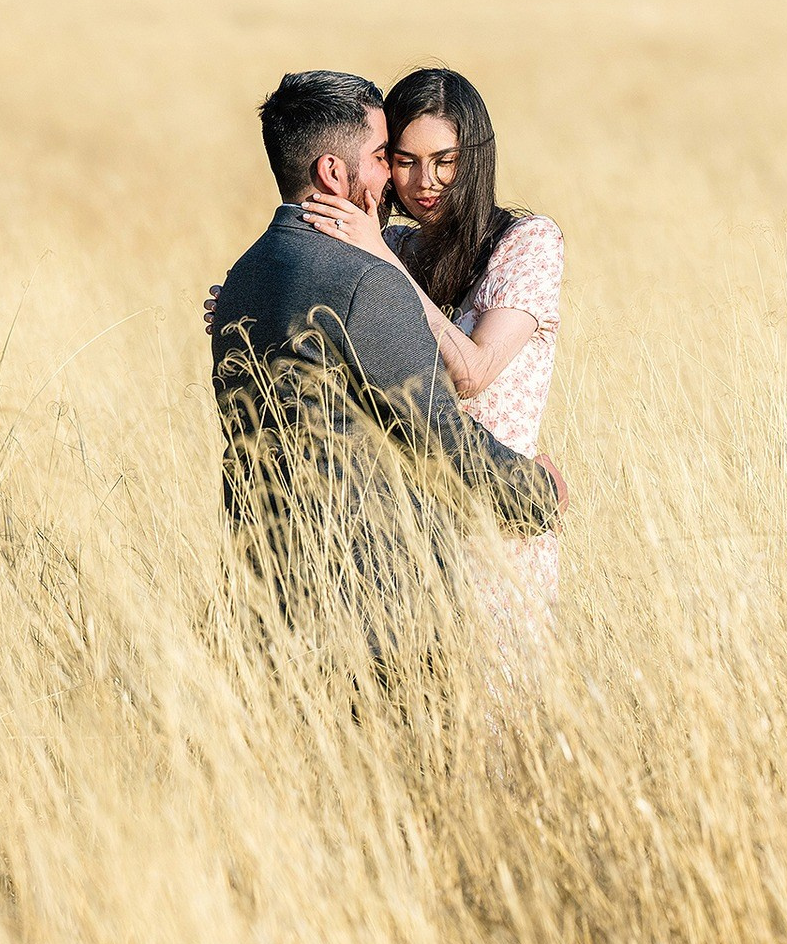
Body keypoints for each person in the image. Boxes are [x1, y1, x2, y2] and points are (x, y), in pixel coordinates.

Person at [208, 69, 566, 667]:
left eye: (445, 160)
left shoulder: (521, 241)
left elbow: (472, 373)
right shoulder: (387, 246)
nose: (424, 183)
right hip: (410, 539)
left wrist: (532, 493)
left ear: (475, 156)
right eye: (397, 158)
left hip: (495, 519)